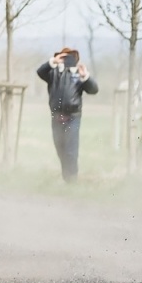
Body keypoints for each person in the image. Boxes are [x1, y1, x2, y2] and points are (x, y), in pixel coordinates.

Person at [36, 48, 98, 183]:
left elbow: (94, 90)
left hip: (72, 117)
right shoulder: (53, 74)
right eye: (64, 57)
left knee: (71, 150)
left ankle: (72, 180)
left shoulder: (79, 76)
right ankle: (67, 177)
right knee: (60, 148)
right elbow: (40, 72)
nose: (66, 60)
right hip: (56, 116)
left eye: (70, 57)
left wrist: (85, 76)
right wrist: (53, 61)